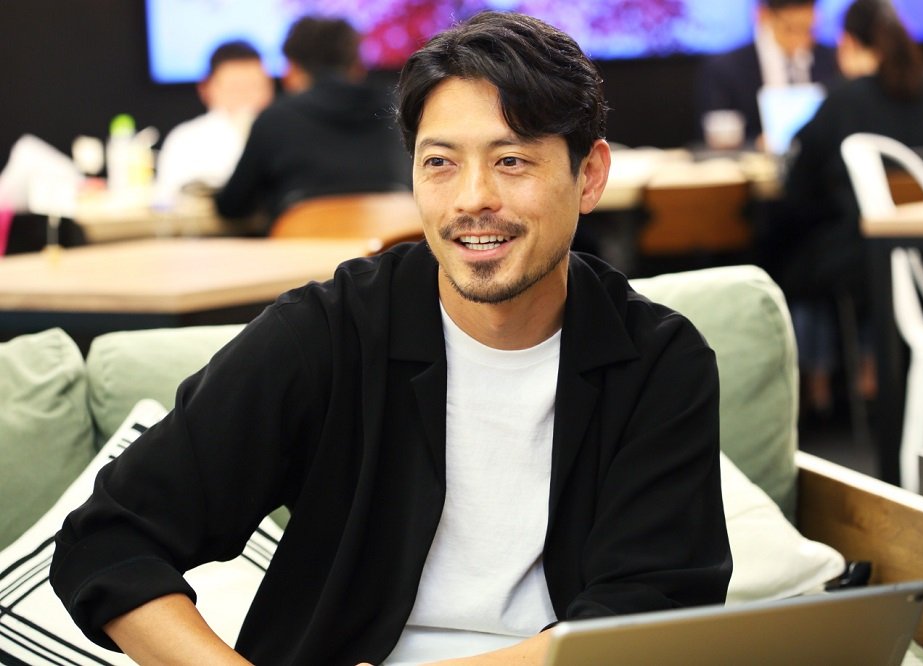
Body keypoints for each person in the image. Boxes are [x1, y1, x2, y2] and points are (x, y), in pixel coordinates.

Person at [49, 11, 731, 666]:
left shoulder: (657, 361)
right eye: (440, 163)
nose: (472, 198)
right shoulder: (330, 333)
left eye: (512, 160)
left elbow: (652, 612)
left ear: (589, 175)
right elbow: (107, 538)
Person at [770, 0, 923, 416]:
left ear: (847, 43)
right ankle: (868, 372)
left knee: (792, 254)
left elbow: (797, 190)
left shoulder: (842, 100)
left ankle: (818, 386)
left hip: (867, 261)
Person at [213, 16, 411, 229]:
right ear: (358, 66)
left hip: (299, 250)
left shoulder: (274, 119)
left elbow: (231, 206)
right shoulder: (399, 112)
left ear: (292, 70)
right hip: (390, 246)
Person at [696, 0, 840, 146]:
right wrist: (754, 143)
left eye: (809, 30)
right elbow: (719, 136)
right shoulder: (727, 69)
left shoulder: (832, 59)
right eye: (790, 29)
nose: (801, 39)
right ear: (764, 16)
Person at [154, 40, 274, 208]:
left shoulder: (283, 134)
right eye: (235, 88)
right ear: (206, 88)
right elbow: (166, 201)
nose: (246, 97)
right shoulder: (185, 139)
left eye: (255, 86)